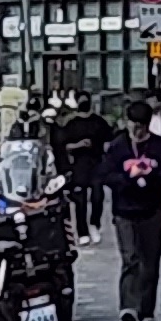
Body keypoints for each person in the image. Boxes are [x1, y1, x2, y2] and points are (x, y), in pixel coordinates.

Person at [110, 112, 161, 321]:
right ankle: (128, 307)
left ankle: (146, 311)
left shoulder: (160, 147)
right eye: (134, 126)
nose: (137, 131)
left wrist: (150, 175)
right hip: (124, 210)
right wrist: (127, 178)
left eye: (141, 126)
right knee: (130, 257)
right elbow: (105, 174)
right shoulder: (118, 146)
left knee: (150, 262)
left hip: (153, 210)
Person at [52, 98, 114, 236]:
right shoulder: (71, 123)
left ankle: (94, 223)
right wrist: (79, 145)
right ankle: (82, 231)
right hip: (79, 164)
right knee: (81, 199)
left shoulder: (98, 121)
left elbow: (109, 140)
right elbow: (64, 146)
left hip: (96, 163)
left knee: (98, 195)